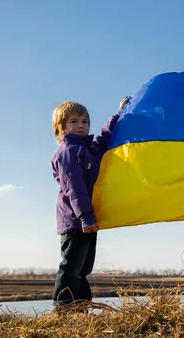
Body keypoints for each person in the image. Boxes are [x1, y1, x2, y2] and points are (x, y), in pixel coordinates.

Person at [50, 97, 129, 309]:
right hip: (75, 219)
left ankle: (82, 308)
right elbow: (73, 186)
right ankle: (64, 309)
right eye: (74, 121)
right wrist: (85, 216)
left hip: (88, 218)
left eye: (85, 121)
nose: (81, 125)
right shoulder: (68, 152)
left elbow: (104, 138)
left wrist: (119, 114)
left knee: (83, 269)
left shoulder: (87, 149)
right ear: (62, 128)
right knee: (71, 268)